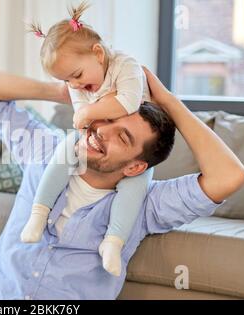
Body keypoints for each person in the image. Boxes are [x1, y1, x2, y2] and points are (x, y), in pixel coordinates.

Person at [0, 67, 244, 300]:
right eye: (107, 118)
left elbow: (229, 176)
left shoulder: (148, 205)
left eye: (122, 137)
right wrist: (63, 92)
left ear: (136, 166)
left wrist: (170, 102)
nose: (102, 131)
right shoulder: (46, 151)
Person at [22, 1, 153, 278]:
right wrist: (88, 116)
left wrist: (92, 111)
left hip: (131, 147)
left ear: (98, 53)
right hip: (97, 138)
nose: (76, 86)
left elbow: (128, 103)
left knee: (137, 184)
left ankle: (113, 242)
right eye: (68, 81)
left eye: (77, 75)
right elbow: (80, 117)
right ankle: (39, 212)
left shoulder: (125, 65)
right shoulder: (77, 85)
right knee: (64, 152)